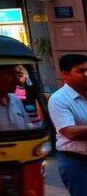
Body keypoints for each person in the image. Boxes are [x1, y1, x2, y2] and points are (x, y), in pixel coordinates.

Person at [49, 53, 87, 196]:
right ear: (65, 74)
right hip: (76, 162)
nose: (86, 74)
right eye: (80, 71)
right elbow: (70, 132)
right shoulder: (58, 99)